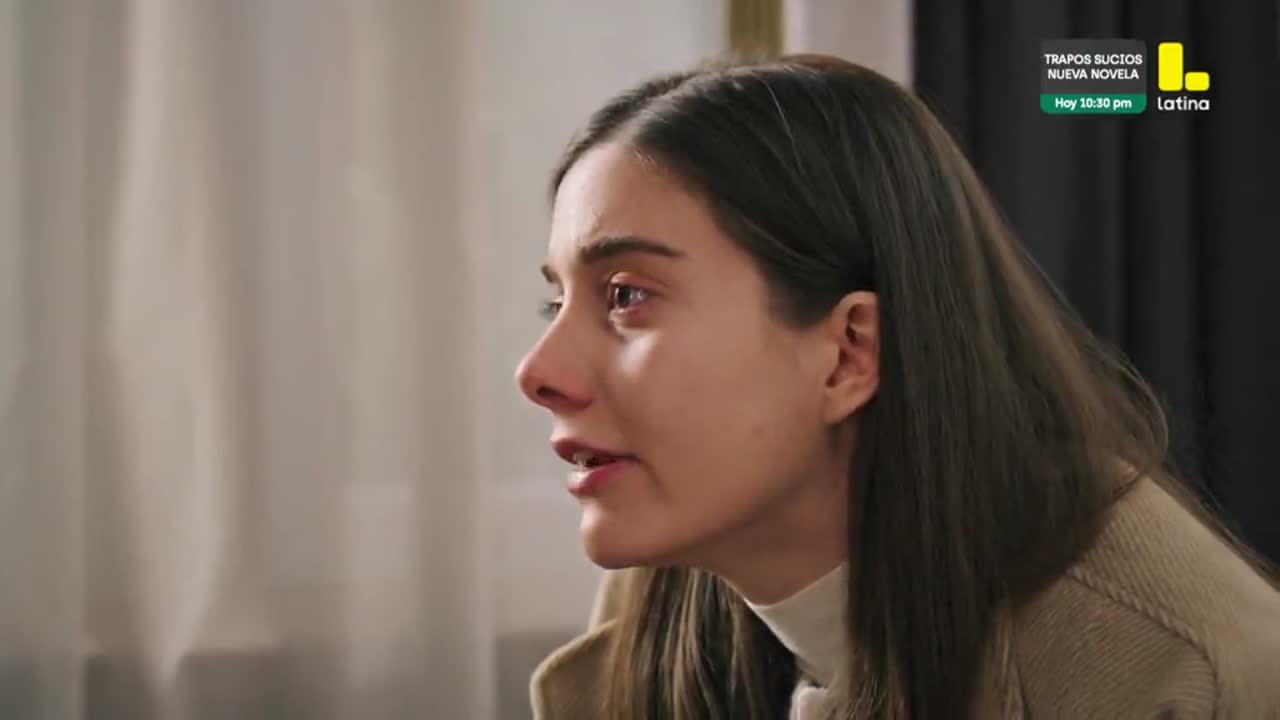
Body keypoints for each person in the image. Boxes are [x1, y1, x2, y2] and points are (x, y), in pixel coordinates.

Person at [513, 54, 1280, 719]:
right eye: (557, 303)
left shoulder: (1178, 676)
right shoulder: (672, 583)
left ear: (850, 353)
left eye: (627, 296)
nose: (538, 372)